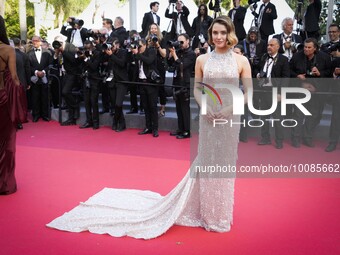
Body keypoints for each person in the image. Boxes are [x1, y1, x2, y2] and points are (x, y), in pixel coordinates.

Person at [47, 16, 252, 239]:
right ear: (211, 35)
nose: (219, 37)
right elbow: (198, 90)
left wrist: (229, 109)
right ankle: (208, 213)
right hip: (209, 117)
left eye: (223, 33)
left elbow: (249, 92)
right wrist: (206, 108)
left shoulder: (241, 62)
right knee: (208, 162)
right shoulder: (202, 59)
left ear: (230, 33)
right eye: (215, 33)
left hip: (230, 118)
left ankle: (221, 214)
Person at [0, 15, 25, 195]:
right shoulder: (7, 49)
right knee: (7, 140)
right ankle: (5, 183)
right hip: (3, 99)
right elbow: (15, 79)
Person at [256, 38, 290, 149]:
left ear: (278, 47)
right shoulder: (264, 57)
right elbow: (260, 70)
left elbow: (286, 77)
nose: (269, 47)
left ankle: (279, 140)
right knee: (264, 116)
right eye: (268, 45)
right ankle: (265, 138)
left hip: (276, 92)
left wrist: (281, 93)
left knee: (278, 117)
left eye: (271, 45)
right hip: (264, 91)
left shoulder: (283, 60)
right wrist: (258, 75)